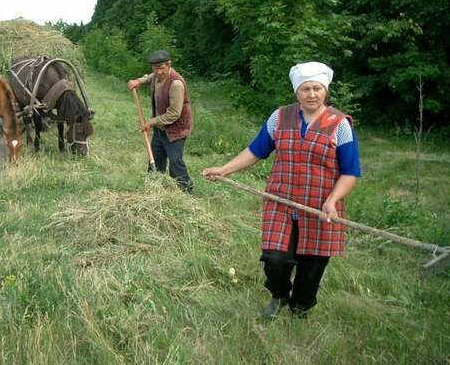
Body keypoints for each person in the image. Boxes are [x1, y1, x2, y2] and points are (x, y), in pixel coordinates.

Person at [202, 62, 361, 319]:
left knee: (312, 267)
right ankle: (279, 295)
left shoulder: (339, 124)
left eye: (317, 89)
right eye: (306, 89)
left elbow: (350, 172)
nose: (312, 94)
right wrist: (225, 169)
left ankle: (300, 307)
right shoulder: (280, 117)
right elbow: (256, 151)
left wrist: (332, 201)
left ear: (325, 91)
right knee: (275, 259)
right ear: (297, 92)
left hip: (320, 208)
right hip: (281, 203)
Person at [127, 50, 194, 193]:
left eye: (161, 68)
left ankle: (187, 191)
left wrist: (150, 122)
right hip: (160, 128)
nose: (158, 72)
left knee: (175, 162)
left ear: (169, 65)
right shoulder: (157, 76)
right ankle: (153, 189)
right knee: (156, 158)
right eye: (155, 68)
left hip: (176, 129)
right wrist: (138, 81)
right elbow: (150, 77)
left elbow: (174, 114)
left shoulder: (176, 84)